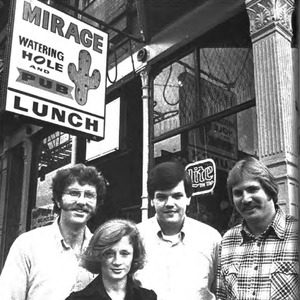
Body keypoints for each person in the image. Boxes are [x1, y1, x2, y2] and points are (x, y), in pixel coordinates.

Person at [0, 163, 107, 300]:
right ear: (58, 200)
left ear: (96, 204)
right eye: (74, 193)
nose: (81, 201)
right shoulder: (28, 245)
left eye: (89, 195)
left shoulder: (102, 249)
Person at [134, 161, 222, 300]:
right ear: (152, 200)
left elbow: (221, 292)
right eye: (161, 197)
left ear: (188, 199)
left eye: (177, 196)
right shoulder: (134, 237)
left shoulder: (211, 239)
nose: (169, 203)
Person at [217, 156, 299, 300]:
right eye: (237, 193)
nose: (246, 199)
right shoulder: (228, 241)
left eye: (252, 189)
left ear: (270, 190)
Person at [66, 219, 157, 300]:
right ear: (98, 255)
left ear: (134, 256)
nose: (117, 261)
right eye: (109, 253)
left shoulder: (147, 297)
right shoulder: (78, 298)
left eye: (124, 254)